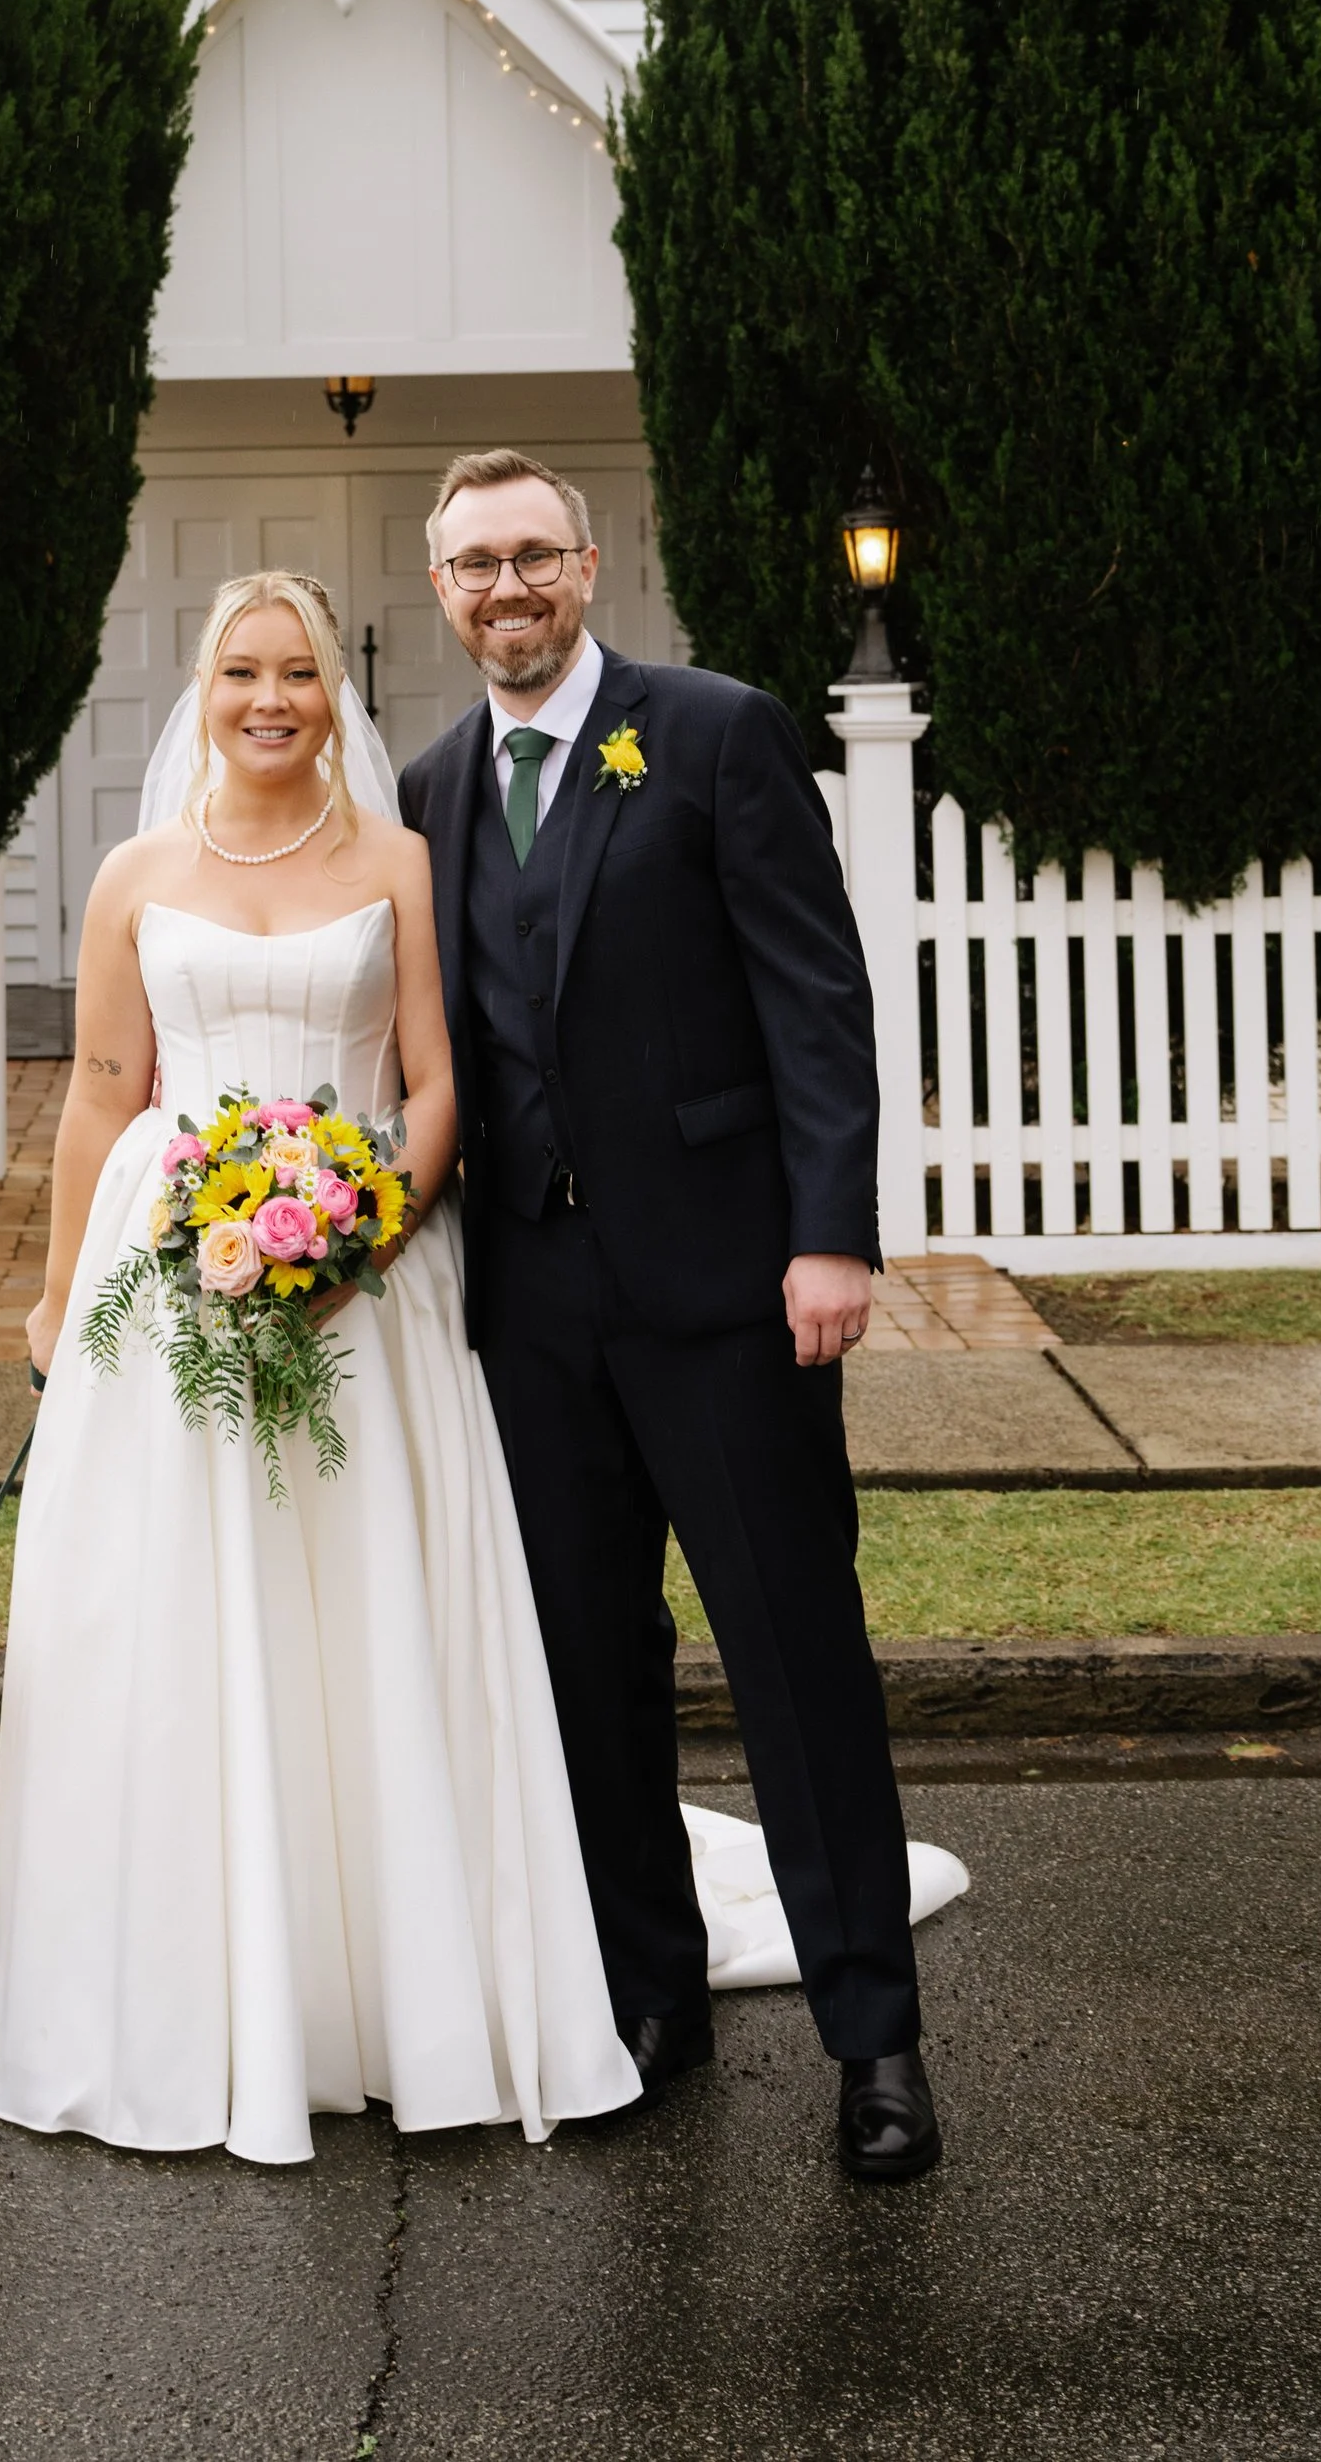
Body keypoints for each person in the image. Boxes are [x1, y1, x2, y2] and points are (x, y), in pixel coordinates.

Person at [0, 570, 644, 2162]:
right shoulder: (135, 870)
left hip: (375, 1290)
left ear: (328, 691)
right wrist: (64, 1292)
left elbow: (434, 1085)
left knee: (365, 1615)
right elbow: (99, 1092)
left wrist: (358, 1233)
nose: (269, 698)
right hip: (175, 1283)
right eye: (238, 673)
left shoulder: (399, 860)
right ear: (200, 693)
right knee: (186, 1623)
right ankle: (204, 1994)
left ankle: (388, 1985)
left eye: (293, 671)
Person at [397, 448, 943, 2182]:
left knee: (794, 1653)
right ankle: (652, 1997)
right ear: (442, 591)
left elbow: (816, 994)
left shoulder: (710, 731)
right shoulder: (426, 791)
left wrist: (829, 1236)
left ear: (589, 558)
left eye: (533, 556)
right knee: (588, 1671)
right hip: (534, 1313)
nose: (508, 589)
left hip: (727, 1294)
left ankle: (877, 2039)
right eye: (475, 565)